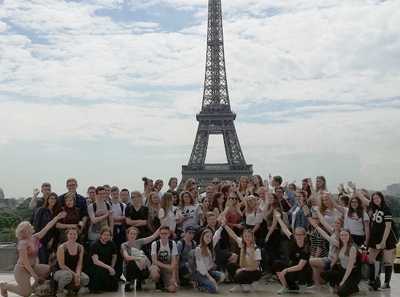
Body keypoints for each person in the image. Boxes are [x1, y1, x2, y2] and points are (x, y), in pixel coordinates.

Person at [0, 211, 66, 297]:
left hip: (33, 266)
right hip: (22, 269)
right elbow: (25, 263)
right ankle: (5, 286)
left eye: (27, 228)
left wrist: (57, 218)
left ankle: (34, 288)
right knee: (26, 293)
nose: (27, 230)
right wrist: (34, 275)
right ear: (22, 232)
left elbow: (47, 227)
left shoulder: (35, 237)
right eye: (23, 230)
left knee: (49, 269)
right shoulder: (22, 243)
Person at [273, 212, 312, 294]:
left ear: (304, 235)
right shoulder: (293, 239)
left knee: (297, 272)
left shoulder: (306, 248)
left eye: (300, 235)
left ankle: (300, 284)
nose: (298, 236)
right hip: (292, 266)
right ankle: (285, 287)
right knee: (277, 264)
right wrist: (279, 218)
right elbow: (285, 229)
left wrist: (286, 270)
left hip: (302, 270)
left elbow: (300, 266)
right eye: (296, 234)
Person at [367, 192, 398, 290]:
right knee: (370, 259)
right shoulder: (374, 208)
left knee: (388, 261)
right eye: (374, 198)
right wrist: (355, 191)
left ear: (381, 198)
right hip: (375, 238)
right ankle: (374, 279)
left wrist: (383, 241)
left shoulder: (386, 209)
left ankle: (386, 283)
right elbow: (364, 200)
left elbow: (388, 226)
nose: (376, 199)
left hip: (387, 239)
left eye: (377, 198)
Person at [222, 224, 262, 292]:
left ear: (252, 237)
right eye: (245, 236)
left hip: (255, 271)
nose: (247, 238)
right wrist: (225, 225)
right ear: (243, 237)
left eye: (249, 236)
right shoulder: (242, 244)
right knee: (230, 266)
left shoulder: (256, 249)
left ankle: (250, 282)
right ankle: (242, 284)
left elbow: (255, 267)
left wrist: (242, 269)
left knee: (239, 275)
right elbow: (233, 235)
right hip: (245, 268)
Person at [321, 229, 361, 297]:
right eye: (342, 235)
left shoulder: (352, 248)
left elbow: (349, 268)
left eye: (346, 235)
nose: (344, 237)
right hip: (342, 271)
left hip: (352, 274)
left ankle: (353, 288)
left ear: (349, 236)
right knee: (324, 274)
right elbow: (327, 237)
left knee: (341, 293)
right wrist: (316, 226)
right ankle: (340, 285)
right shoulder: (340, 245)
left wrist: (343, 281)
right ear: (339, 236)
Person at [121, 227, 159, 291]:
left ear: (136, 235)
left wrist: (162, 226)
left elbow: (153, 237)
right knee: (132, 262)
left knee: (149, 266)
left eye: (134, 234)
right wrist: (139, 257)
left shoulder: (139, 241)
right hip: (130, 267)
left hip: (141, 265)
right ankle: (128, 283)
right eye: (131, 233)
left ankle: (139, 280)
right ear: (127, 234)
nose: (132, 235)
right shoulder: (124, 245)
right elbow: (127, 257)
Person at [54, 228, 89, 297]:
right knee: (68, 275)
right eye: (70, 234)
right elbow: (62, 265)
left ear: (77, 235)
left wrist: (78, 274)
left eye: (74, 234)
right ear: (67, 235)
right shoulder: (62, 247)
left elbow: (79, 263)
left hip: (74, 270)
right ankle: (60, 290)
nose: (72, 236)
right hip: (61, 271)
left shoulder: (80, 247)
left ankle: (73, 290)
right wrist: (74, 275)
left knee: (85, 278)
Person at [87, 227, 118, 293]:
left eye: (108, 235)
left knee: (114, 288)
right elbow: (95, 261)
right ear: (101, 235)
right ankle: (94, 287)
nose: (106, 237)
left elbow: (114, 256)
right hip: (96, 266)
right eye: (104, 235)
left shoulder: (111, 244)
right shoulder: (95, 245)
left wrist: (112, 266)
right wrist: (109, 267)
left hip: (107, 266)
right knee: (100, 271)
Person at [32, 192, 61, 264]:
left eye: (55, 199)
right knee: (42, 260)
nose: (53, 200)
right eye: (51, 198)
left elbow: (55, 229)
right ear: (47, 200)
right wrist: (37, 239)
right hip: (40, 240)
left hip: (50, 241)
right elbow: (36, 225)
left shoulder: (56, 213)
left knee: (49, 261)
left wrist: (52, 239)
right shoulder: (41, 210)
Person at [193, 229, 225, 293]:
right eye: (207, 236)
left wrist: (221, 227)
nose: (209, 238)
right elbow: (201, 266)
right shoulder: (198, 249)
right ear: (203, 237)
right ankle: (200, 285)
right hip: (201, 274)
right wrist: (211, 278)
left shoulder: (208, 248)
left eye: (210, 237)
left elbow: (216, 236)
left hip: (209, 271)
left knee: (222, 276)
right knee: (214, 289)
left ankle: (209, 284)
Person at [149, 226, 178, 292]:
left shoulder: (172, 244)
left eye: (165, 233)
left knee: (173, 289)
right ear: (159, 234)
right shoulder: (155, 244)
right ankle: (158, 283)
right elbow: (154, 260)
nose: (164, 235)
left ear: (169, 234)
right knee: (154, 274)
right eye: (162, 233)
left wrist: (173, 277)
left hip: (168, 267)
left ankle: (165, 284)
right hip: (157, 266)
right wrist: (167, 266)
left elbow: (174, 262)